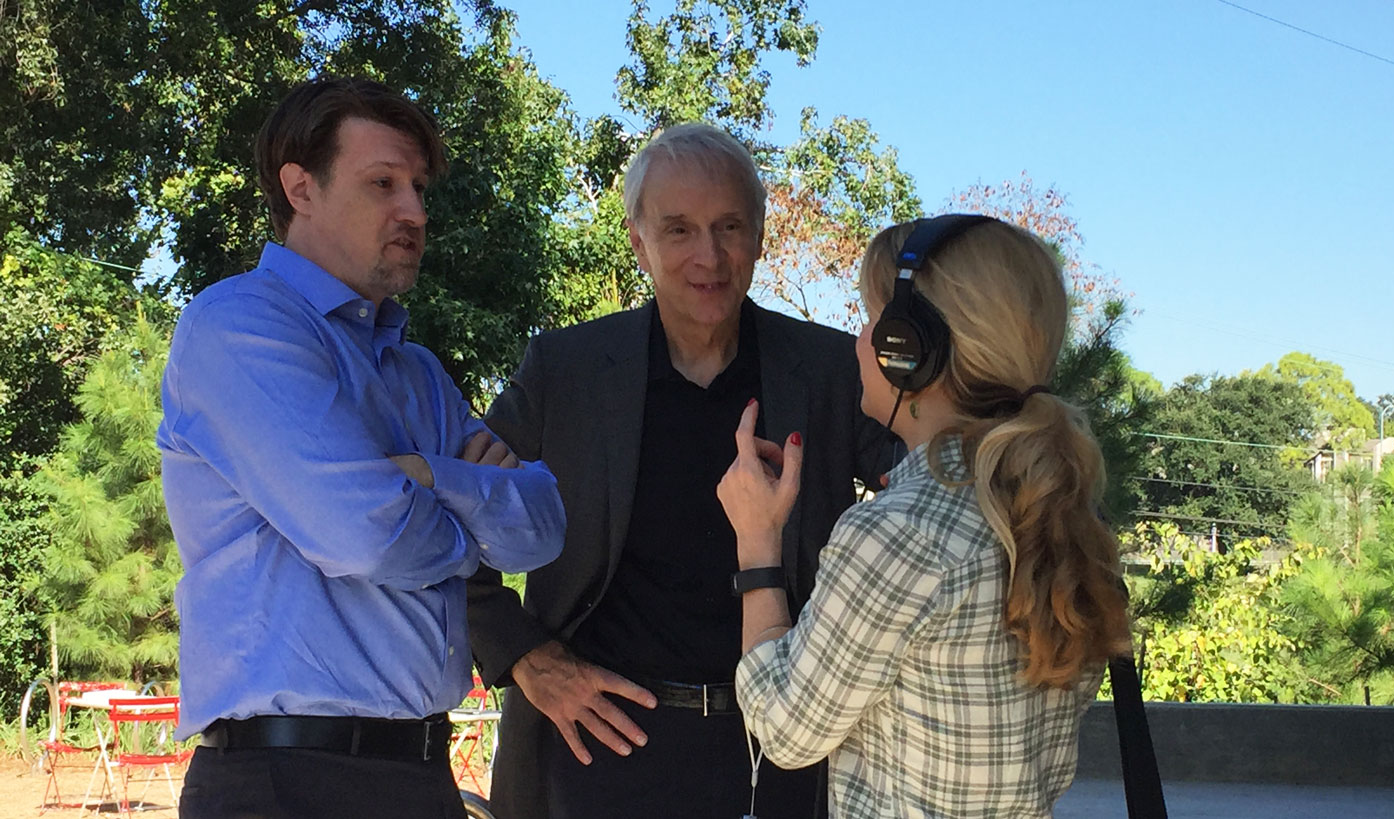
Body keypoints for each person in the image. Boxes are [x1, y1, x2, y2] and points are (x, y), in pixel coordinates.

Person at [157, 77, 566, 819]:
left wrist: (426, 476)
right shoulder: (239, 328)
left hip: (420, 776)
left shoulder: (419, 372)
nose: (414, 211)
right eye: (382, 182)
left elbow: (541, 528)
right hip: (285, 782)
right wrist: (473, 516)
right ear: (299, 188)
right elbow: (373, 535)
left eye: (417, 187)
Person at [468, 123, 897, 819]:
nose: (710, 255)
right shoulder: (565, 369)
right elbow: (448, 519)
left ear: (759, 235)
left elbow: (934, 487)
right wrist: (521, 654)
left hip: (775, 759)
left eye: (730, 226)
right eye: (678, 230)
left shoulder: (828, 370)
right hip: (590, 756)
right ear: (638, 242)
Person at [718, 215, 1132, 817]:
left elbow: (784, 732)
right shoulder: (1055, 510)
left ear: (910, 351)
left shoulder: (899, 534)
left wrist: (757, 544)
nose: (857, 339)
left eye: (870, 320)